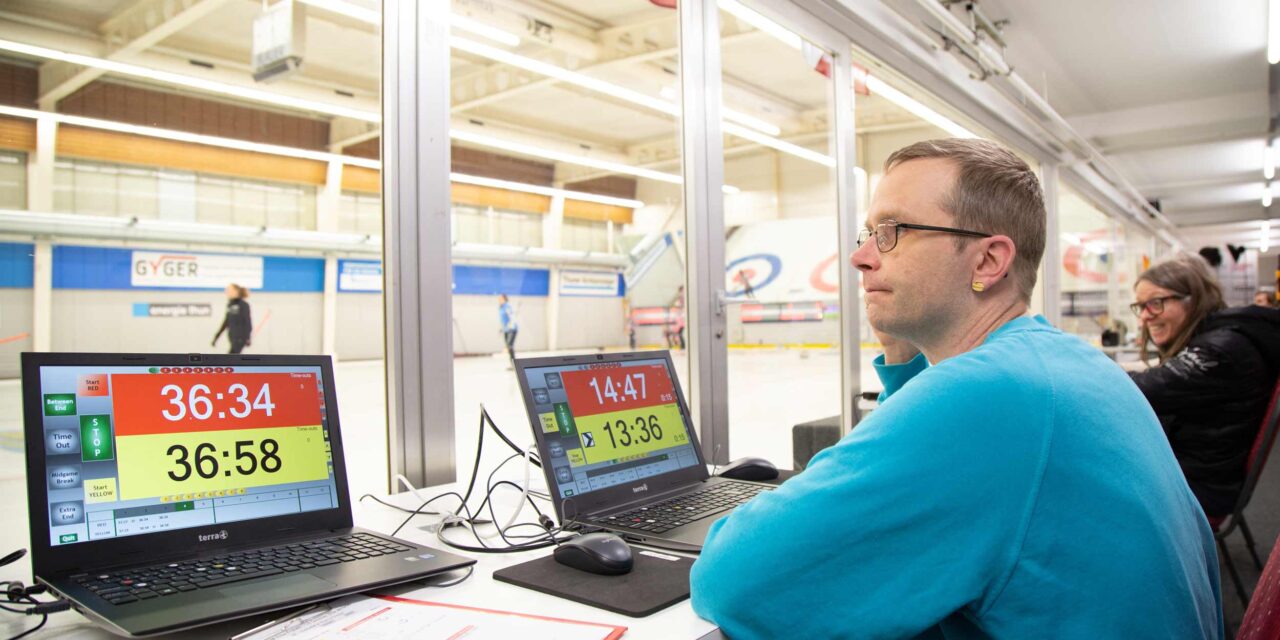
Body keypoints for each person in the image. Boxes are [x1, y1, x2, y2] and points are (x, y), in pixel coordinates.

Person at [690, 139, 1221, 638]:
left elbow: (732, 581)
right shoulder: (1066, 360)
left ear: (988, 262)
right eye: (867, 233)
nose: (862, 256)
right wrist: (901, 358)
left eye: (893, 231)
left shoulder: (988, 396)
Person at [1128, 255, 1280, 518]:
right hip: (1201, 472)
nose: (1144, 317)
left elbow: (1145, 390)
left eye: (1155, 303)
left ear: (1193, 299)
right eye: (1141, 306)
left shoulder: (1221, 350)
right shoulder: (1225, 336)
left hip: (1201, 487)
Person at [212, 283, 252, 354]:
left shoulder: (243, 305)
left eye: (229, 290)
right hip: (232, 337)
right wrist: (216, 337)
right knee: (232, 359)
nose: (226, 292)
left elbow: (247, 322)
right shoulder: (230, 305)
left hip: (240, 338)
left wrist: (248, 337)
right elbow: (226, 322)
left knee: (230, 358)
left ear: (235, 291)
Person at [498, 294, 518, 363]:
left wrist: (510, 327)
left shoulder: (507, 306)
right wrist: (502, 328)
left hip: (511, 329)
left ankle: (514, 363)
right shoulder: (501, 307)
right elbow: (503, 319)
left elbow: (512, 317)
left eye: (500, 299)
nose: (499, 300)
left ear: (504, 299)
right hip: (506, 330)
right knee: (508, 346)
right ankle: (512, 363)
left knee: (509, 346)